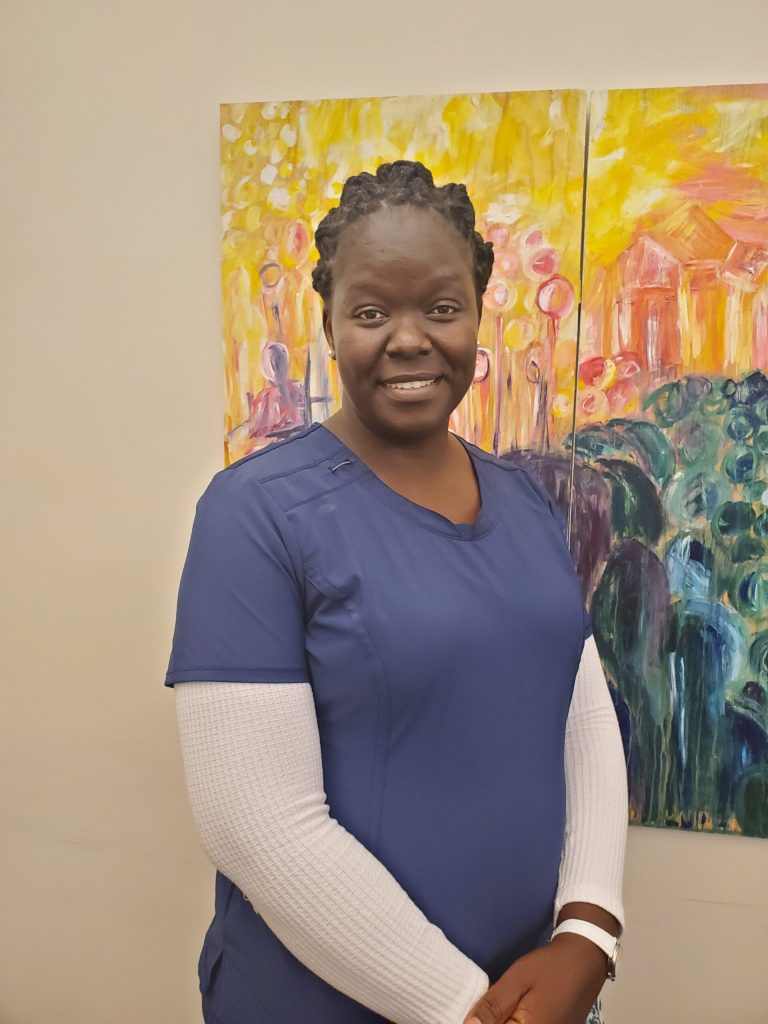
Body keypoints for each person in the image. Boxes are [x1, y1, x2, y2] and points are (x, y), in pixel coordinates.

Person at [166, 160, 628, 1024]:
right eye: (372, 311)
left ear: (477, 318)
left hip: (537, 988)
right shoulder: (253, 515)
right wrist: (469, 1009)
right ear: (330, 320)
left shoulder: (527, 502)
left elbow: (581, 712)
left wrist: (589, 930)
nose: (409, 338)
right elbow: (256, 829)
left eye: (441, 308)